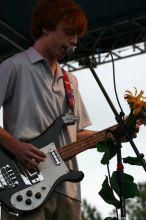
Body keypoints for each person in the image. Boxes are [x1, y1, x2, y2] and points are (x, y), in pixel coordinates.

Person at [0, 0, 98, 219]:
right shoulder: (14, 67)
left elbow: (75, 133)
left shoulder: (70, 80)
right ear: (46, 27)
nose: (74, 41)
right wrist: (17, 147)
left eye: (77, 35)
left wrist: (115, 133)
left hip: (68, 191)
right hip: (25, 185)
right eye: (69, 32)